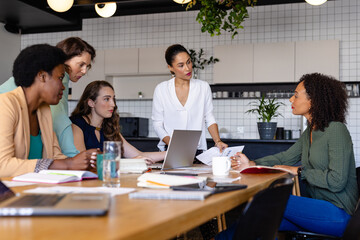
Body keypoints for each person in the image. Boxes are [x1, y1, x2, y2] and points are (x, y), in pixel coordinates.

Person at [216, 73, 359, 239]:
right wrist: (251, 163)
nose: (291, 99)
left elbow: (337, 180)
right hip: (318, 208)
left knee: (268, 202)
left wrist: (298, 171)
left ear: (314, 100)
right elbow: (285, 157)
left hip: (339, 214)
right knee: (261, 222)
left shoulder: (336, 130)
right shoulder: (311, 132)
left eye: (296, 95)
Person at [0, 44, 96, 177]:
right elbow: (2, 166)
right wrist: (68, 164)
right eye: (60, 78)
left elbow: (56, 156)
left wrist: (85, 162)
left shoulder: (43, 111)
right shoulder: (5, 104)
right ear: (42, 76)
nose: (63, 87)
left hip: (32, 191)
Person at [152, 44, 227, 156]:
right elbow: (157, 124)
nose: (187, 68)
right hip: (169, 149)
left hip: (197, 150)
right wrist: (173, 144)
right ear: (170, 68)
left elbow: (209, 118)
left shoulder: (203, 87)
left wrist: (218, 141)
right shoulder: (161, 89)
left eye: (189, 62)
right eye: (181, 65)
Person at [70, 81, 165, 164]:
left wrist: (169, 154)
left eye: (113, 99)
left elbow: (139, 155)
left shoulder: (108, 128)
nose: (113, 104)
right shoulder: (76, 125)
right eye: (106, 99)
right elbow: (82, 163)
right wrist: (129, 163)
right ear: (91, 103)